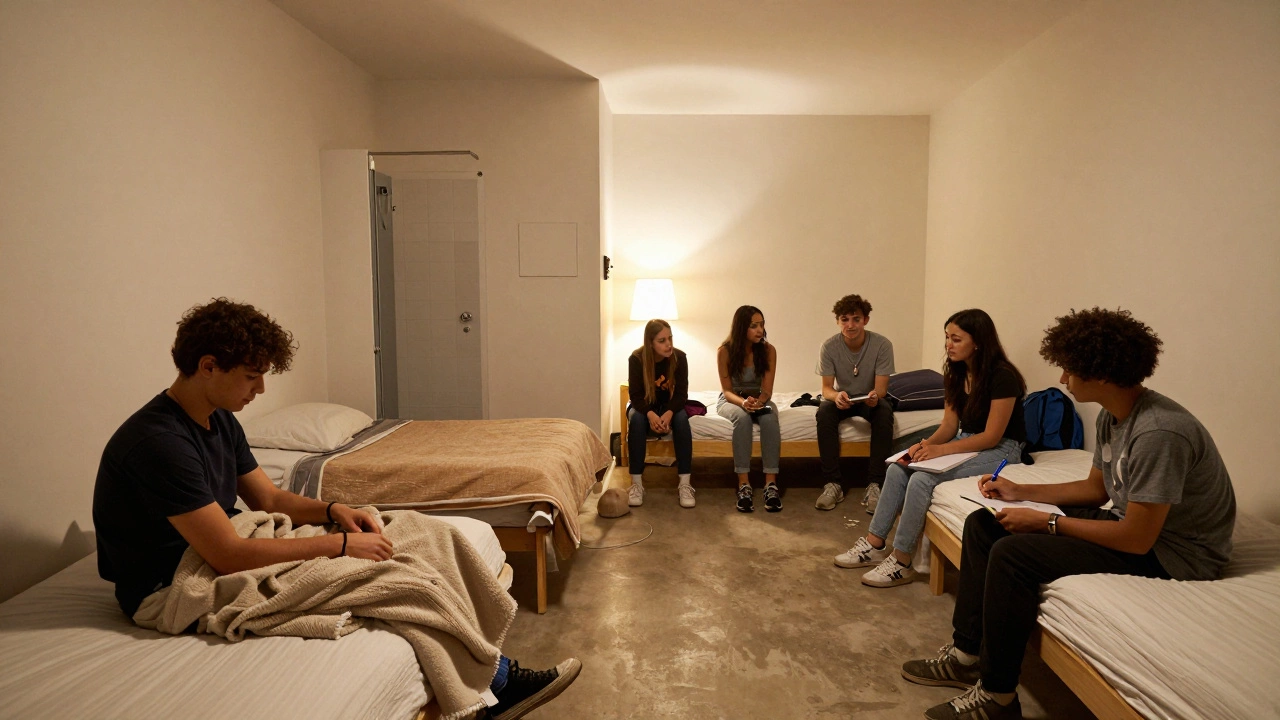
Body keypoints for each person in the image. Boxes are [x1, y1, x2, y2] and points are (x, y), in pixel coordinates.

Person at [92, 298, 580, 720]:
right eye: (251, 377)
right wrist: (345, 545)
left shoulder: (218, 420)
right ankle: (500, 684)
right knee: (390, 579)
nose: (259, 391)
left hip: (216, 549)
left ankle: (488, 665)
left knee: (423, 533)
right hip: (171, 584)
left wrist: (335, 509)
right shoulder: (159, 443)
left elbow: (270, 499)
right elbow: (226, 556)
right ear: (207, 366)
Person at [901, 308, 1235, 720]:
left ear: (1100, 373)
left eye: (1068, 370)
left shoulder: (1159, 432)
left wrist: (1048, 522)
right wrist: (1021, 491)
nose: (1061, 380)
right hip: (1139, 529)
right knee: (985, 523)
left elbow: (1137, 539)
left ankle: (998, 697)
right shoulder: (1117, 417)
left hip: (1177, 554)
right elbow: (1096, 490)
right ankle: (966, 654)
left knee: (1013, 555)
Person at [836, 308, 1026, 589]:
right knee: (900, 467)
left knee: (923, 478)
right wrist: (925, 445)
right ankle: (875, 543)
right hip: (968, 438)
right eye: (947, 338)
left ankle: (902, 561)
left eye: (957, 339)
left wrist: (943, 451)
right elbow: (950, 426)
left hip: (1002, 448)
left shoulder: (1003, 377)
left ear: (979, 342)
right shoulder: (955, 373)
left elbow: (991, 436)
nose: (949, 345)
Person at [813, 294, 896, 512]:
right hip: (844, 398)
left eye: (856, 319)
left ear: (865, 320)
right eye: (845, 319)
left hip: (870, 398)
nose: (850, 325)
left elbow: (882, 389)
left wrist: (874, 397)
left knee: (885, 411)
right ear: (838, 321)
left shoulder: (882, 345)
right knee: (824, 412)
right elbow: (826, 389)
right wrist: (836, 396)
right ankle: (833, 484)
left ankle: (875, 484)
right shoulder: (829, 347)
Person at [716, 305, 782, 512]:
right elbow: (727, 391)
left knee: (770, 418)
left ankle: (770, 484)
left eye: (761, 325)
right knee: (742, 420)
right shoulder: (724, 351)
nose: (760, 330)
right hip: (733, 400)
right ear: (741, 327)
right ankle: (743, 484)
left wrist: (759, 401)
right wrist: (744, 403)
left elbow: (768, 390)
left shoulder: (769, 350)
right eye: (753, 326)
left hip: (759, 398)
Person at [626, 319, 694, 508]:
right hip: (644, 407)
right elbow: (636, 396)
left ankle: (685, 484)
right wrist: (651, 414)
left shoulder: (679, 357)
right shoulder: (637, 359)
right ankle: (636, 484)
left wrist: (670, 412)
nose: (669, 344)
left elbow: (682, 394)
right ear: (650, 343)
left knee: (682, 419)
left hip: (669, 407)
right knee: (636, 420)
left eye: (670, 338)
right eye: (662, 340)